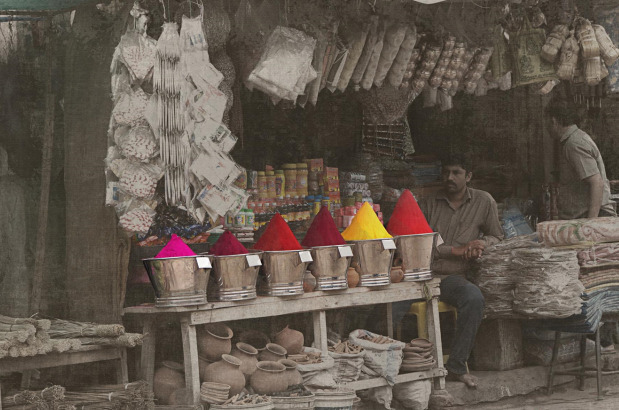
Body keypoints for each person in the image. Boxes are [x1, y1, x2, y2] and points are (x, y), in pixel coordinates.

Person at [392, 155, 503, 388]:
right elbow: (419, 242)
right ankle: (388, 366)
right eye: (446, 172)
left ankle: (457, 365)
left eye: (456, 173)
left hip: (452, 278)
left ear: (468, 176)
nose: (449, 178)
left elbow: (497, 235)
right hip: (421, 275)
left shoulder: (484, 201)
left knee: (473, 298)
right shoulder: (428, 203)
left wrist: (481, 244)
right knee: (389, 307)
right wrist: (456, 250)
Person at [546, 101, 617, 352]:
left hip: (589, 219)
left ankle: (603, 337)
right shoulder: (575, 139)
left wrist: (591, 223)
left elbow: (596, 183)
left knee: (593, 280)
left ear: (554, 120)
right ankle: (603, 336)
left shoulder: (574, 143)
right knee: (597, 280)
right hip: (586, 218)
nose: (548, 128)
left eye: (548, 123)